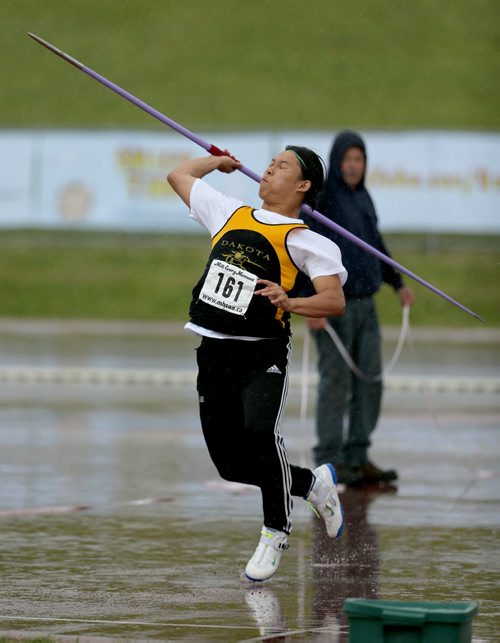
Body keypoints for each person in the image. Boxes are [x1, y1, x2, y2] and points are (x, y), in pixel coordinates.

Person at [167, 145, 347, 582]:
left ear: (303, 185)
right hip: (213, 351)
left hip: (262, 352)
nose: (269, 169)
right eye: (270, 163)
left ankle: (275, 533)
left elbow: (334, 300)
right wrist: (219, 163)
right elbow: (178, 176)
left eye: (282, 166)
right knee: (229, 464)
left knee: (260, 435)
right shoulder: (228, 211)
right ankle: (311, 484)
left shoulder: (308, 240)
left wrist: (291, 299)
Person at [304, 131, 415, 486]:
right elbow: (305, 248)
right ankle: (330, 461)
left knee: (370, 380)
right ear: (336, 161)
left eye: (359, 160)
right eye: (348, 159)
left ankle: (357, 455)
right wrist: (312, 305)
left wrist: (396, 283)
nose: (353, 166)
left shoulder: (364, 197)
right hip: (332, 305)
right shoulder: (321, 199)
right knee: (334, 382)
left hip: (367, 305)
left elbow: (375, 244)